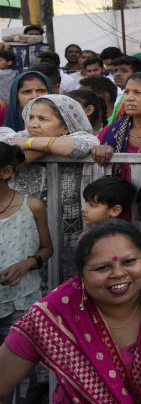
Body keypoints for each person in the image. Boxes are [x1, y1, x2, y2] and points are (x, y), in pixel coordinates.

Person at [0, 219, 141, 403]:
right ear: (81, 275)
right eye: (102, 267)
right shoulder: (57, 311)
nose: (118, 273)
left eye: (130, 261)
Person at [0, 95, 98, 280]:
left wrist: (30, 145)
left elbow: (84, 144)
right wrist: (46, 146)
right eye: (31, 117)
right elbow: (10, 151)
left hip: (68, 228)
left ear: (66, 127)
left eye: (42, 119)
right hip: (25, 230)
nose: (33, 124)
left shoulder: (79, 137)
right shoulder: (17, 137)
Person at [0, 144, 51, 340]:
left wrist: (26, 264)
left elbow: (47, 249)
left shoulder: (32, 206)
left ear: (6, 171)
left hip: (20, 304)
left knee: (18, 366)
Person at [94, 73, 141, 179]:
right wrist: (99, 151)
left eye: (137, 93)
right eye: (126, 92)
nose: (129, 98)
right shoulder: (109, 132)